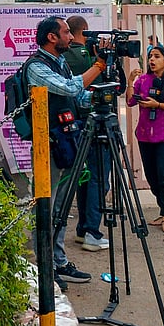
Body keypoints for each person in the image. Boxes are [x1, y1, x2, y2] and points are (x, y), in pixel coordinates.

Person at [26, 15, 107, 286]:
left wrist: (102, 93)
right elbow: (70, 87)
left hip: (66, 141)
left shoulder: (59, 63)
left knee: (61, 207)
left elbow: (78, 96)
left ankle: (58, 261)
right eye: (66, 33)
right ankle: (44, 268)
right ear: (52, 37)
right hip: (47, 145)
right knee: (47, 208)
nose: (71, 37)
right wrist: (98, 65)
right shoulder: (37, 66)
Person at [126, 44, 164, 234]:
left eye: (157, 56)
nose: (152, 60)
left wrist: (159, 105)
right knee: (152, 177)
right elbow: (130, 101)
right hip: (146, 136)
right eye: (150, 57)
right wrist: (130, 81)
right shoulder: (143, 80)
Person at [62, 15, 111, 253]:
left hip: (74, 125)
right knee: (98, 178)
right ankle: (92, 231)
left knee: (85, 178)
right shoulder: (87, 58)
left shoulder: (63, 57)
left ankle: (83, 230)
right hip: (93, 122)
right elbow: (109, 85)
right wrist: (103, 58)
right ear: (85, 31)